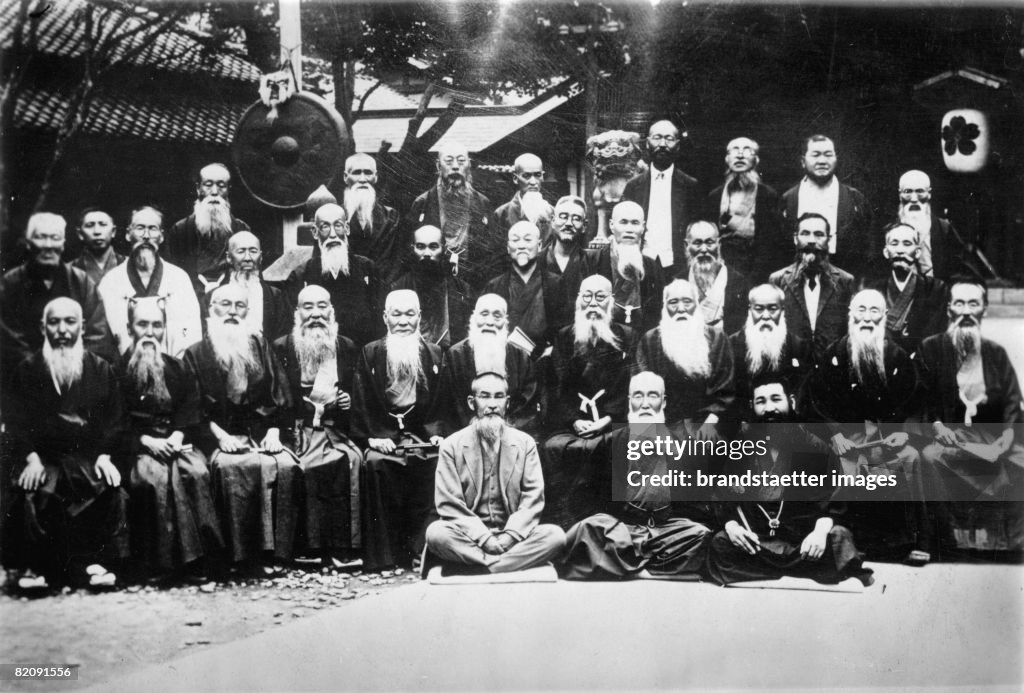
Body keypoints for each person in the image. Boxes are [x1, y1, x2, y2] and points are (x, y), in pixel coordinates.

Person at [3, 298, 127, 590]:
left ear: (82, 327)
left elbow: (115, 419)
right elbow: (16, 420)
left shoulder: (100, 369)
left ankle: (93, 563)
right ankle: (37, 568)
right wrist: (31, 457)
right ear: (42, 327)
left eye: (70, 322)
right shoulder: (28, 369)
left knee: (105, 487)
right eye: (54, 322)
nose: (62, 330)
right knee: (35, 489)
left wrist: (105, 455)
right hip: (43, 455)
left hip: (86, 456)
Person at [706, 377, 874, 587]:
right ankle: (807, 576)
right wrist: (732, 526)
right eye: (761, 402)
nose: (769, 408)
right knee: (720, 542)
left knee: (839, 537)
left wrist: (819, 533)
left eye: (776, 399)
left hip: (804, 543)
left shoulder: (814, 447)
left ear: (791, 402)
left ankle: (766, 575)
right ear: (752, 406)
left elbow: (834, 501)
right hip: (758, 541)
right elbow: (721, 494)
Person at [805, 289, 929, 564]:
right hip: (845, 439)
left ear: (884, 317)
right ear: (851, 314)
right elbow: (815, 401)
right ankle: (849, 541)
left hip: (884, 438)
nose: (867, 319)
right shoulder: (833, 354)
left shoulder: (897, 356)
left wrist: (901, 432)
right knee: (847, 466)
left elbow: (914, 400)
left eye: (875, 311)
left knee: (910, 458)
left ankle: (911, 542)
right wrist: (835, 433)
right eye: (861, 310)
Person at [182, 284, 300, 568]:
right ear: (211, 310)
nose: (232, 311)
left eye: (239, 305)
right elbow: (192, 408)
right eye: (225, 304)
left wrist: (274, 432)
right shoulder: (195, 354)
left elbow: (280, 394)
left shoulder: (261, 347)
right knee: (230, 468)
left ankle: (278, 554)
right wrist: (221, 438)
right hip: (217, 436)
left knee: (285, 466)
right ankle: (239, 556)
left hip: (261, 433)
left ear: (248, 311)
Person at [561, 372, 713, 580]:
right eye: (638, 396)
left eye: (653, 396)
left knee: (700, 534)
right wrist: (613, 524)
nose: (645, 404)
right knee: (591, 528)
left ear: (664, 402)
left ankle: (627, 567)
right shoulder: (610, 442)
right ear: (629, 401)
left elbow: (696, 500)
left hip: (663, 530)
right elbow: (581, 498)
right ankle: (652, 568)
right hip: (622, 530)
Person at [120, 298, 223, 578]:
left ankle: (199, 561)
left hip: (178, 443)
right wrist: (146, 441)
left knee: (197, 472)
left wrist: (177, 435)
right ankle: (160, 563)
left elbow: (191, 406)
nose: (150, 332)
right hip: (140, 446)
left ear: (165, 329)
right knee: (151, 478)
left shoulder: (177, 368)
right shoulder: (116, 371)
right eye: (143, 324)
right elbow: (115, 421)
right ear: (130, 328)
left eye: (157, 325)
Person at [425, 372, 566, 574]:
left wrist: (510, 535)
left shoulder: (525, 443)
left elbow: (532, 499)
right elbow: (449, 504)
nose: (492, 404)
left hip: (514, 537)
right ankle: (507, 565)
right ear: (472, 402)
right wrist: (485, 538)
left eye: (498, 396)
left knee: (555, 536)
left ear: (507, 402)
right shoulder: (451, 446)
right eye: (485, 396)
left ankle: (481, 567)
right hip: (469, 536)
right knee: (436, 534)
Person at [351, 290, 445, 571]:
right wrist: (372, 437)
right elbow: (362, 399)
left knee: (437, 462)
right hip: (383, 434)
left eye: (410, 314)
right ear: (385, 317)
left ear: (419, 317)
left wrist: (437, 431)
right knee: (377, 464)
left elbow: (440, 401)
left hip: (420, 434)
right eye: (396, 314)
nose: (403, 321)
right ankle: (386, 556)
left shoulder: (434, 353)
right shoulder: (371, 352)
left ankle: (421, 550)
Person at [273, 285, 363, 562]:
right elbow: (277, 396)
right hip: (298, 428)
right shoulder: (282, 347)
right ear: (297, 312)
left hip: (335, 427)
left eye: (322, 306)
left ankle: (342, 549)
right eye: (308, 307)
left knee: (350, 461)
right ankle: (308, 548)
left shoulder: (345, 346)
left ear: (331, 311)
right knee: (307, 466)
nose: (315, 314)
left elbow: (355, 392)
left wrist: (347, 401)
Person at [542, 274, 638, 528]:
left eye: (600, 297)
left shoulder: (627, 336)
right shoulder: (564, 337)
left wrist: (607, 418)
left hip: (614, 420)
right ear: (578, 300)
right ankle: (567, 521)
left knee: (620, 445)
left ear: (611, 301)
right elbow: (556, 388)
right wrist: (574, 420)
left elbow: (631, 384)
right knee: (553, 447)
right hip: (573, 422)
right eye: (587, 296)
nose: (593, 303)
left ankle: (614, 520)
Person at [919, 278, 1024, 502]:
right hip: (950, 436)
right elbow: (923, 398)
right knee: (931, 457)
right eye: (959, 304)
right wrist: (937, 425)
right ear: (949, 310)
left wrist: (1008, 432)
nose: (966, 312)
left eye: (973, 304)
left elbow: (1012, 400)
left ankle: (1005, 533)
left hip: (992, 435)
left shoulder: (995, 353)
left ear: (984, 309)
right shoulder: (931, 348)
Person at [0, 212, 118, 383]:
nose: (48, 245)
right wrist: (43, 373)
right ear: (28, 243)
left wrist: (75, 371)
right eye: (41, 237)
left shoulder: (81, 282)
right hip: (27, 380)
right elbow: (10, 341)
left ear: (63, 244)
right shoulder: (11, 284)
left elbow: (97, 337)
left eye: (55, 238)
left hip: (76, 377)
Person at [98, 205, 202, 357]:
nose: (146, 235)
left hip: (172, 372)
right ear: (128, 234)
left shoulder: (179, 279)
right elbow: (103, 342)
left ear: (161, 236)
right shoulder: (111, 282)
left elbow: (192, 337)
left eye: (153, 228)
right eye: (140, 228)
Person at [633, 279, 734, 434]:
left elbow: (725, 389)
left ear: (697, 305)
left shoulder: (717, 338)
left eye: (687, 302)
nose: (681, 309)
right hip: (664, 422)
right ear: (665, 306)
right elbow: (643, 388)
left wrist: (710, 423)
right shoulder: (650, 340)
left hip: (708, 421)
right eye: (673, 302)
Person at [432, 294, 540, 436]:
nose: (489, 322)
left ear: (505, 321)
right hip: (465, 433)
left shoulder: (520, 357)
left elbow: (527, 407)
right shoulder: (455, 355)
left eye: (497, 316)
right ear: (474, 318)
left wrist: (504, 430)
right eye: (484, 314)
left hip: (509, 433)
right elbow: (447, 405)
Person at [781, 135, 875, 279]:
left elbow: (868, 246)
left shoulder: (855, 199)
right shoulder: (788, 199)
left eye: (828, 155)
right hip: (796, 276)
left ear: (836, 159)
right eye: (815, 155)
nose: (822, 161)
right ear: (802, 161)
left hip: (845, 275)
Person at [287, 203, 381, 347]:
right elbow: (293, 326)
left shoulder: (367, 269)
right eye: (325, 227)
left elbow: (380, 321)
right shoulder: (301, 275)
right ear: (315, 232)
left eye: (337, 225)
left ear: (347, 228)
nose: (332, 234)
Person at [407, 141, 499, 289]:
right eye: (449, 161)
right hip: (433, 280)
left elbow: (492, 249)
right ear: (438, 166)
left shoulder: (482, 203)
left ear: (469, 165)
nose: (455, 166)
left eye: (461, 161)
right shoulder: (423, 203)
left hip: (473, 281)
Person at [769, 212, 855, 364]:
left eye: (819, 234)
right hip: (792, 366)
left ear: (829, 239)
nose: (811, 241)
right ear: (795, 239)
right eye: (805, 233)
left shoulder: (845, 281)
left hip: (831, 368)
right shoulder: (778, 280)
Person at [622, 119, 702, 276]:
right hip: (640, 264)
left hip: (678, 266)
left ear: (678, 145)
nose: (663, 144)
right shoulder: (633, 187)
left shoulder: (690, 186)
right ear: (647, 143)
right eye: (657, 137)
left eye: (669, 138)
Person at [861, 222, 948, 356]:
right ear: (885, 252)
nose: (900, 250)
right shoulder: (872, 289)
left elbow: (935, 333)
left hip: (920, 361)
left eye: (907, 244)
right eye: (894, 244)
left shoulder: (935, 288)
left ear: (918, 252)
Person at [164, 163, 251, 296]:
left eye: (221, 186)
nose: (215, 192)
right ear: (198, 189)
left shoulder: (241, 230)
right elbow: (171, 274)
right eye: (208, 185)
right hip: (190, 298)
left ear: (228, 189)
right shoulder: (180, 230)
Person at [483, 221, 567, 357]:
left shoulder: (555, 283)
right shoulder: (494, 286)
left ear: (539, 245)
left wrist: (552, 351)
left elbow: (564, 331)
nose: (521, 245)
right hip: (503, 358)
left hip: (543, 361)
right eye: (515, 240)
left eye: (528, 240)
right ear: (508, 248)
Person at [728, 283, 809, 424]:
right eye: (759, 309)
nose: (766, 316)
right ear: (750, 310)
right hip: (744, 422)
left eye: (772, 309)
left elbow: (802, 389)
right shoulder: (733, 344)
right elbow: (729, 390)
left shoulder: (798, 345)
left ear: (782, 310)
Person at [705, 137, 783, 280]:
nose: (740, 155)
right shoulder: (715, 196)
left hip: (755, 269)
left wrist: (755, 278)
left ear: (756, 160)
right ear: (727, 159)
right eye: (735, 150)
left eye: (747, 150)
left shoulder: (767, 195)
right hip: (721, 266)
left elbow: (769, 243)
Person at [390, 224, 475, 350]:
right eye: (420, 247)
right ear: (413, 249)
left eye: (433, 247)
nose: (427, 253)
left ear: (444, 249)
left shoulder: (462, 290)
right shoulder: (397, 288)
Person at [587, 201, 665, 333]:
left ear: (643, 227)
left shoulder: (652, 266)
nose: (629, 229)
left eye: (635, 223)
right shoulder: (593, 261)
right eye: (623, 222)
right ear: (612, 225)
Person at [204, 231, 293, 342]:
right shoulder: (213, 297)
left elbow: (282, 338)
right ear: (229, 257)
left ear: (260, 257)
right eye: (241, 251)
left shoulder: (276, 296)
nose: (248, 258)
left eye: (253, 251)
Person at [341, 153, 403, 286]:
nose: (362, 179)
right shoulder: (336, 216)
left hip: (380, 287)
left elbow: (394, 261)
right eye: (357, 173)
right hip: (345, 287)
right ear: (346, 177)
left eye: (368, 173)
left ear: (375, 177)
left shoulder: (391, 216)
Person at [682, 220, 750, 337]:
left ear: (719, 244)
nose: (704, 249)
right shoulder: (679, 281)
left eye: (709, 243)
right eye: (697, 243)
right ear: (686, 245)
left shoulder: (738, 282)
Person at [894, 170, 963, 280]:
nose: (914, 199)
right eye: (908, 192)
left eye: (920, 192)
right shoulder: (889, 230)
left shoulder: (944, 228)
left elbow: (958, 267)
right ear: (900, 195)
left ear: (929, 194)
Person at [536, 195, 595, 302]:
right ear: (553, 221)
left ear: (584, 226)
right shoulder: (536, 261)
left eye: (576, 219)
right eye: (563, 216)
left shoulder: (592, 264)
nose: (568, 223)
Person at [493, 153, 554, 242]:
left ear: (542, 177)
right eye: (526, 176)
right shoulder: (501, 214)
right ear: (515, 178)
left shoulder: (552, 212)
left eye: (537, 175)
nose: (533, 182)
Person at [71, 207, 124, 285]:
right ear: (80, 234)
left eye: (103, 225)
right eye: (89, 225)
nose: (97, 231)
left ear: (113, 231)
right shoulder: (69, 269)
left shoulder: (129, 264)